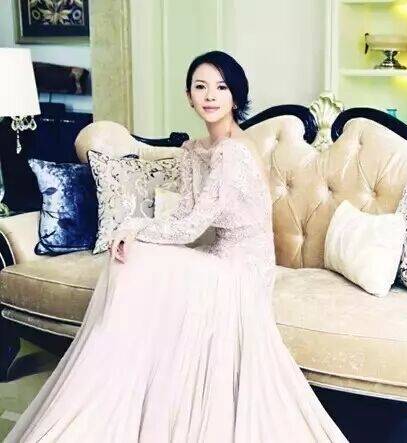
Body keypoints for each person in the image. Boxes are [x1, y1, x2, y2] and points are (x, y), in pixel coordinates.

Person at [5, 51, 349, 442]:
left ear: (235, 97)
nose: (210, 96)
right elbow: (185, 217)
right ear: (188, 96)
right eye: (200, 87)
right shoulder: (193, 150)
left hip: (244, 270)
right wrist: (136, 233)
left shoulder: (234, 151)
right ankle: (119, 386)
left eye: (221, 87)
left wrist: (133, 227)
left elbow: (192, 226)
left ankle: (113, 385)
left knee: (136, 259)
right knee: (134, 261)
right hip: (214, 256)